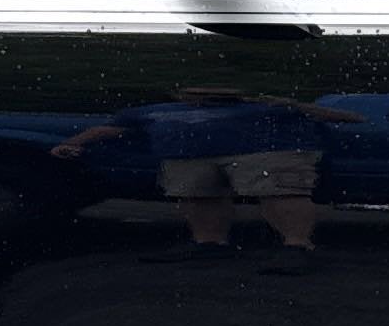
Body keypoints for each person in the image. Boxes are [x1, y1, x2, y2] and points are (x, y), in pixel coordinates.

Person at [54, 85, 355, 268]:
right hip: (188, 157)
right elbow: (108, 130)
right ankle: (208, 244)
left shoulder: (268, 106)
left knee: (280, 191)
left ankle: (297, 246)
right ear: (180, 92)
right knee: (196, 195)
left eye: (217, 91)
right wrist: (73, 143)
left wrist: (292, 105)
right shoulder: (153, 110)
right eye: (197, 90)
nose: (206, 95)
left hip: (267, 153)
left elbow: (348, 118)